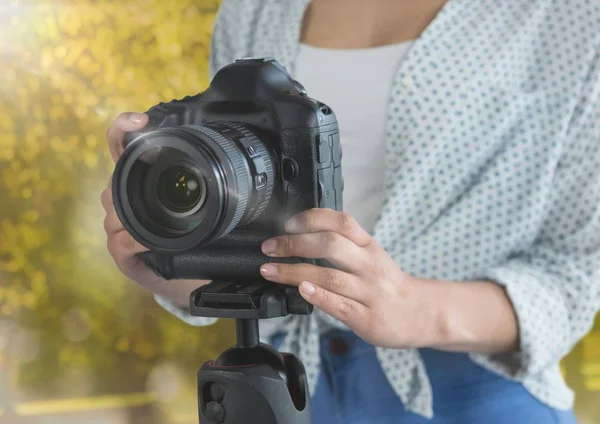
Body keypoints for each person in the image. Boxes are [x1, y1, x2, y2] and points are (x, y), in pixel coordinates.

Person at [101, 1, 600, 422]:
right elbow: (247, 221)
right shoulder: (253, 8)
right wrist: (164, 257)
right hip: (285, 383)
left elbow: (575, 273)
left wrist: (414, 308)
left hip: (471, 389)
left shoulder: (569, 16)